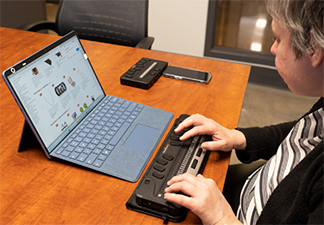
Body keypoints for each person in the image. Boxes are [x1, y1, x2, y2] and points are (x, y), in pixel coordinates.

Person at [164, 0, 324, 224]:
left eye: (278, 39)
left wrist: (222, 218)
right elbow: (302, 133)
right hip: (257, 192)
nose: (272, 48)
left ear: (314, 48)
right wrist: (237, 137)